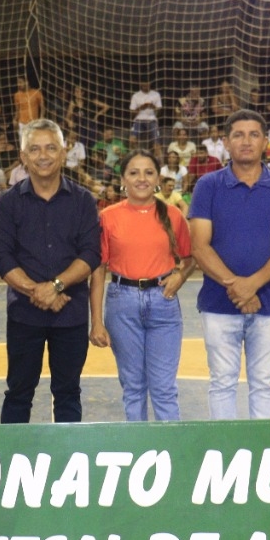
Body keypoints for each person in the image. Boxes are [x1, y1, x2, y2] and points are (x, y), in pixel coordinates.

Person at [189, 109, 270, 420]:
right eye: (238, 135)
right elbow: (199, 246)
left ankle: (262, 454)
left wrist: (250, 285)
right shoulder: (208, 185)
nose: (246, 141)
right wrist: (237, 286)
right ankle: (225, 456)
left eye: (254, 134)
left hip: (268, 304)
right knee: (222, 383)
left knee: (264, 383)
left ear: (266, 141)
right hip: (218, 304)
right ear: (225, 142)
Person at [0, 119, 101, 423]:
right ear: (23, 157)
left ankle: (68, 465)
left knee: (68, 393)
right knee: (18, 392)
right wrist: (36, 291)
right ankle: (13, 462)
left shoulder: (83, 201)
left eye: (51, 147)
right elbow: (1, 257)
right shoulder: (8, 203)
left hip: (71, 313)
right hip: (24, 315)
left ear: (64, 153)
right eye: (34, 149)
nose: (43, 155)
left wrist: (54, 286)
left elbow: (91, 254)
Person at [89, 151, 196, 421]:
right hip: (121, 303)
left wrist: (180, 276)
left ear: (158, 178)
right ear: (123, 179)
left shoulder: (172, 215)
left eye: (148, 172)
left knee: (164, 388)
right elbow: (98, 270)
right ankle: (139, 451)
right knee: (133, 387)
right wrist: (97, 322)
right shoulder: (107, 217)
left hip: (164, 301)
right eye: (134, 173)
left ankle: (170, 452)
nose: (141, 178)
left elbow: (191, 257)